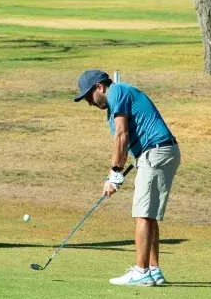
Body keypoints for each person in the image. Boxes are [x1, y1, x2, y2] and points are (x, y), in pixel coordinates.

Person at [74, 70, 180, 287]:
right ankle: (153, 269)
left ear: (99, 87)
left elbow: (122, 135)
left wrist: (114, 173)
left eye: (88, 96)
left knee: (142, 213)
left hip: (155, 152)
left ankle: (141, 272)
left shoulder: (117, 91)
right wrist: (116, 173)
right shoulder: (116, 101)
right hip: (156, 153)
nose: (89, 103)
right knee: (147, 214)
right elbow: (124, 140)